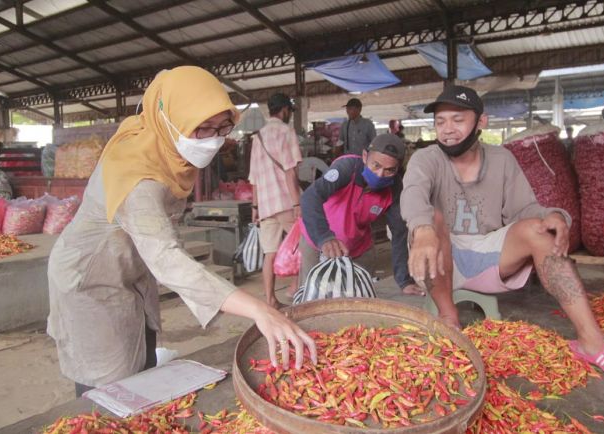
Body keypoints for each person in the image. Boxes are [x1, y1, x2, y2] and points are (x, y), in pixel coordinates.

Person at [47, 67, 316, 397]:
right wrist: (259, 308)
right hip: (90, 280)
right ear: (169, 118)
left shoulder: (160, 142)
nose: (213, 139)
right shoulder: (136, 175)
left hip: (130, 267)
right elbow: (166, 259)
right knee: (109, 386)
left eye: (222, 127)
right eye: (201, 128)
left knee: (139, 366)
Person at [400, 85, 604, 384]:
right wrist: (423, 228)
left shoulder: (502, 159)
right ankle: (448, 317)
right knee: (431, 217)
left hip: (487, 256)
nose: (447, 130)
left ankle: (592, 341)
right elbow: (413, 193)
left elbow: (524, 209)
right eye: (440, 122)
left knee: (539, 230)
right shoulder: (426, 159)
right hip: (438, 258)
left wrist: (552, 216)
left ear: (481, 122)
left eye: (457, 119)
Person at [299, 134, 423, 296]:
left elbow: (399, 233)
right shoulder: (347, 169)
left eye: (389, 170)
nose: (380, 175)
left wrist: (404, 280)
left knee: (358, 297)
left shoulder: (395, 189)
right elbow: (310, 197)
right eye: (376, 165)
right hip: (318, 242)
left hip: (358, 248)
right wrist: (324, 237)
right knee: (314, 296)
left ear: (398, 169)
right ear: (365, 157)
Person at [249, 93, 302, 308]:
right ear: (285, 110)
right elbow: (291, 171)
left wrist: (255, 206)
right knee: (304, 245)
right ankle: (295, 288)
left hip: (265, 205)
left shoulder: (257, 136)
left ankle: (270, 300)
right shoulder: (286, 131)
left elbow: (253, 177)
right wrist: (297, 203)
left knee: (269, 253)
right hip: (286, 202)